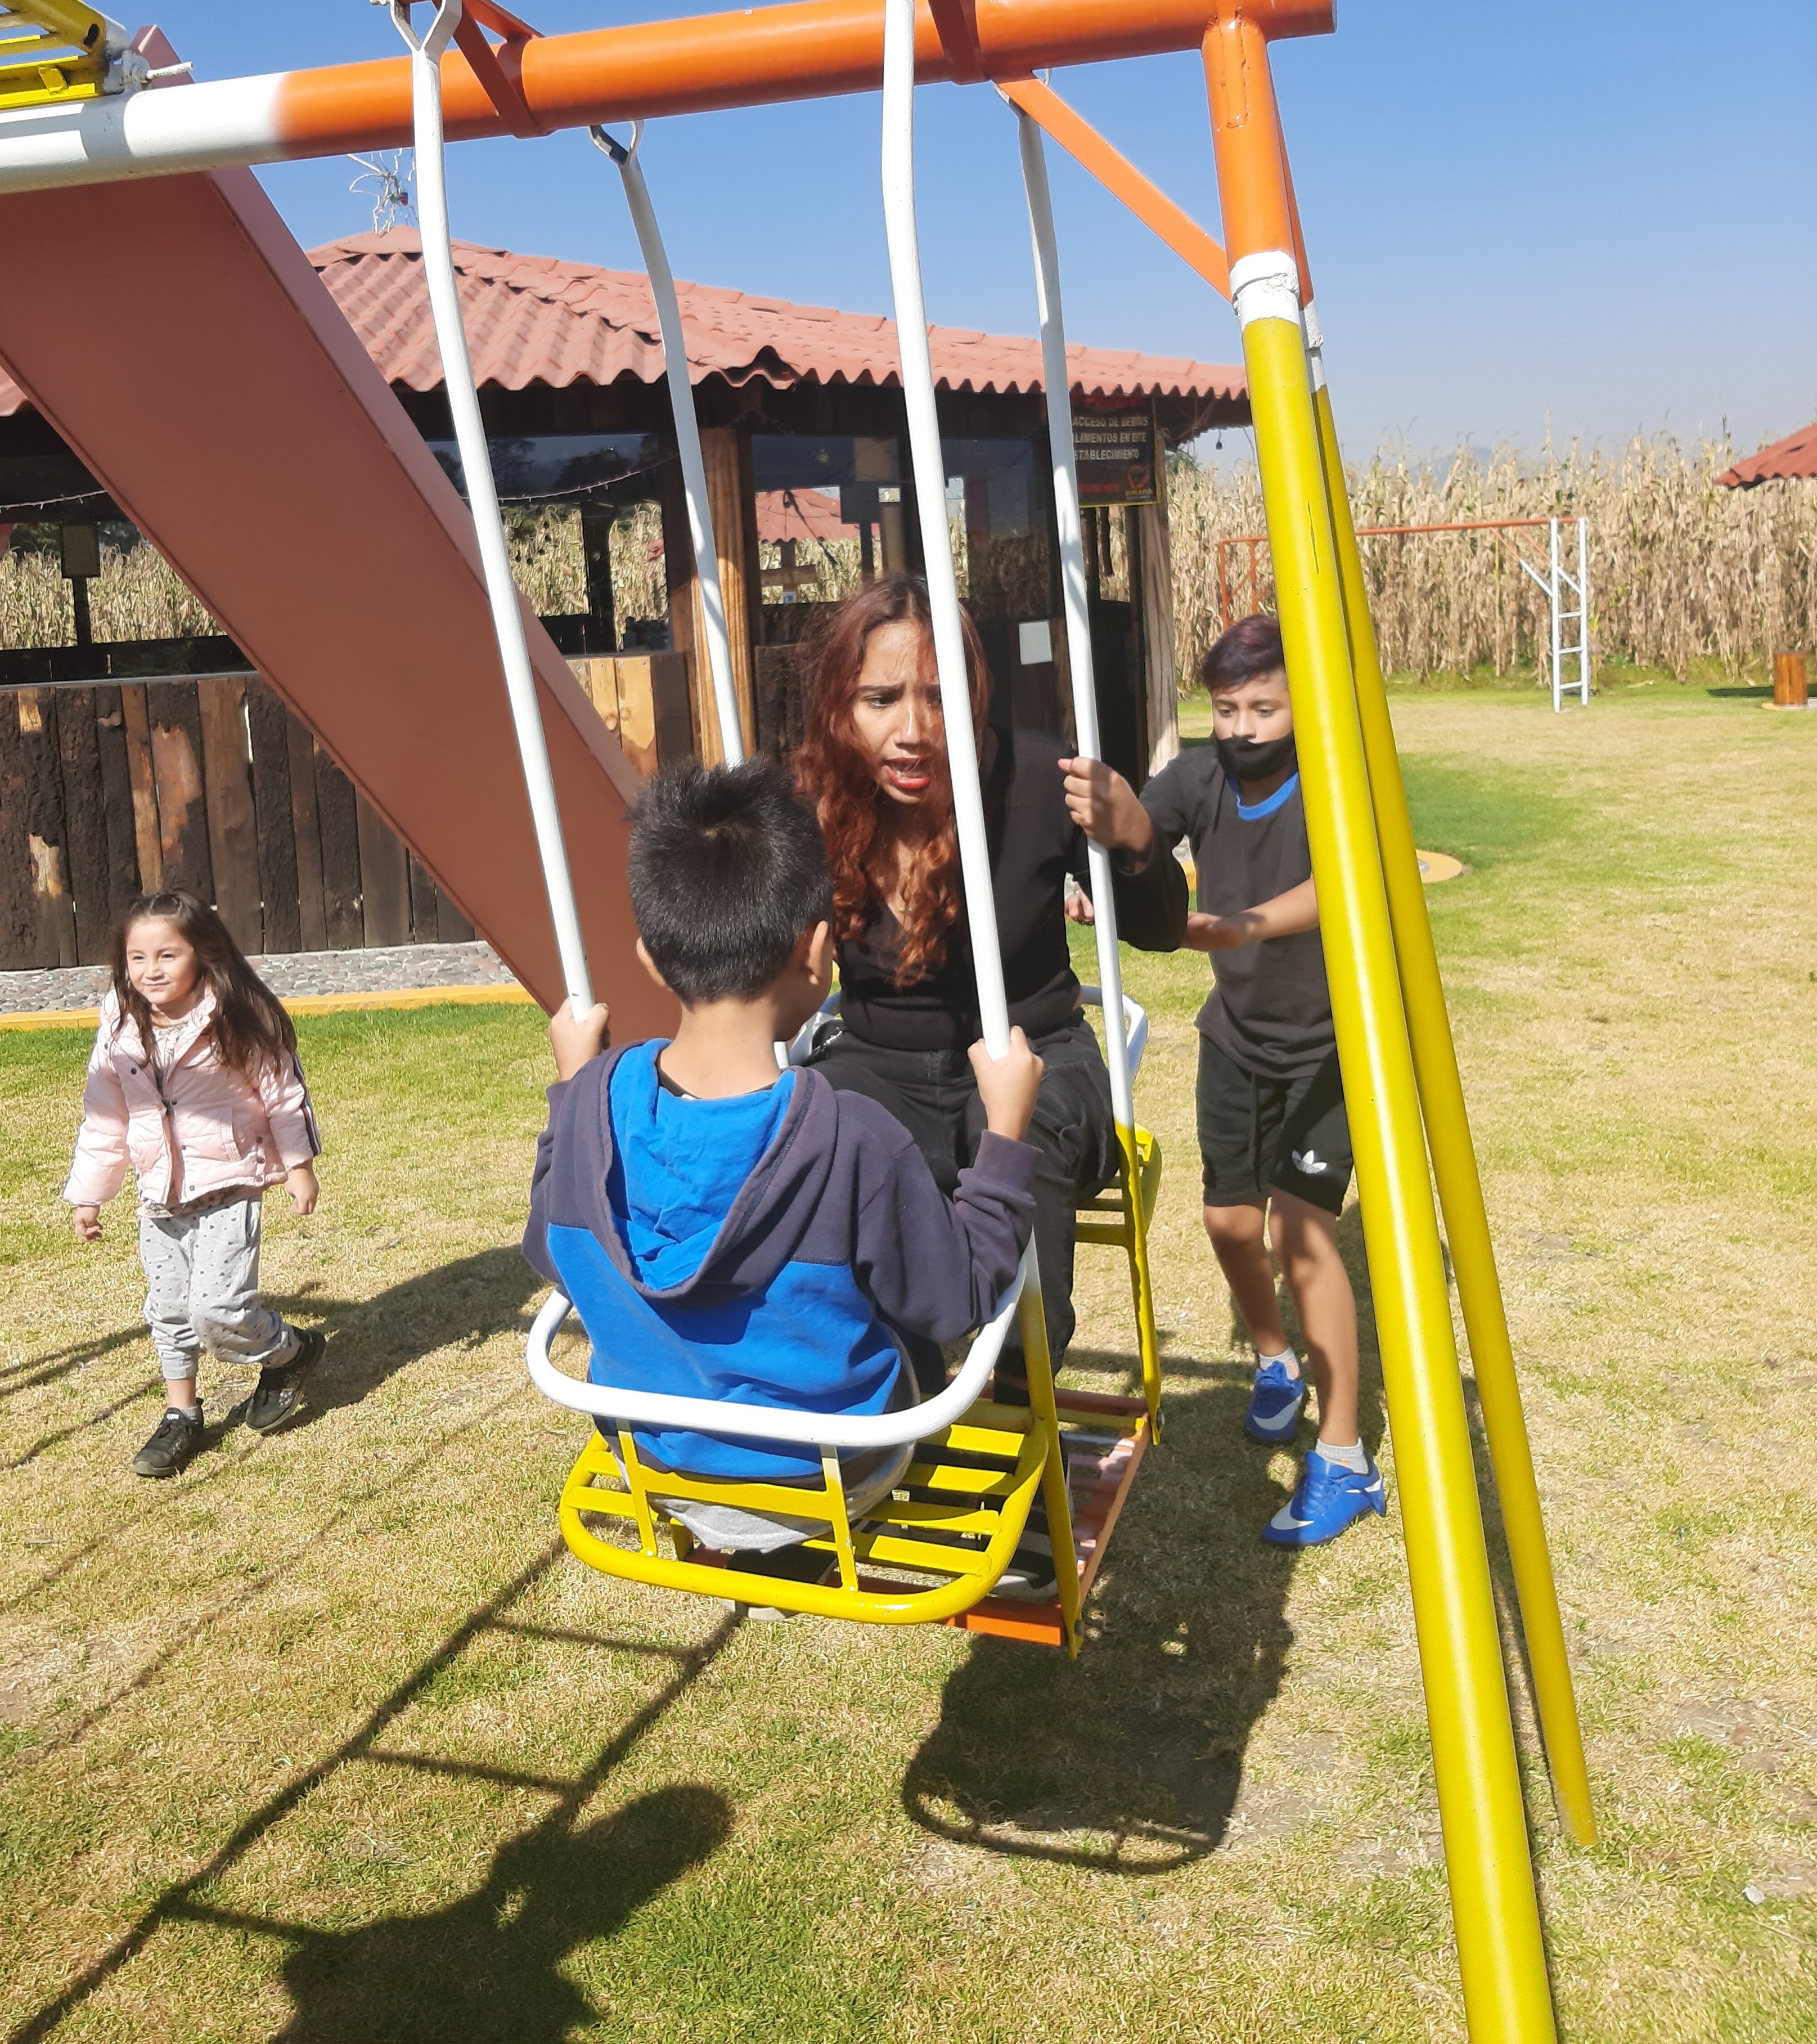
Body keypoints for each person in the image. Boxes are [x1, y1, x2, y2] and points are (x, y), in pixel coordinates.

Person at [525, 756, 1045, 1560]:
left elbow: (550, 1255)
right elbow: (959, 1298)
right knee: (892, 1305)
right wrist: (1005, 1134)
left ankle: (734, 1529)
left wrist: (572, 1092)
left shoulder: (592, 1111)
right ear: (817, 951)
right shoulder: (852, 1139)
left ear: (652, 958)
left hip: (661, 1464)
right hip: (834, 1476)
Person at [791, 574, 1187, 1381]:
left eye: (937, 697)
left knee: (1008, 1126)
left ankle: (1019, 1405)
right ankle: (892, 1405)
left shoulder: (1038, 776)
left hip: (1034, 1046)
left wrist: (1137, 835)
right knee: (812, 1129)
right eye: (881, 699)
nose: (912, 730)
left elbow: (1162, 927)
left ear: (974, 691)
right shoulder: (819, 802)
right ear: (840, 707)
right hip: (877, 1060)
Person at [1100, 613, 1386, 1547]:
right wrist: (1106, 866)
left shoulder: (1335, 778)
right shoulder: (1200, 774)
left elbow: (1339, 881)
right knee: (1228, 1220)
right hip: (1235, 1036)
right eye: (1226, 707)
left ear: (1304, 705)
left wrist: (1246, 922)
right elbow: (1146, 835)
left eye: (1264, 706)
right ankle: (1275, 1360)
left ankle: (1343, 1459)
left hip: (1328, 1046)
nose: (1243, 726)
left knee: (1303, 1230)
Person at [66, 891, 326, 1479]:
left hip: (229, 1182)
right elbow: (105, 1113)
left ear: (203, 955)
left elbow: (282, 1095)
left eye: (167, 955)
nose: (150, 971)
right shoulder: (120, 1021)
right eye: (137, 958)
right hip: (158, 1192)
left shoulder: (237, 1014)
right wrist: (91, 1192)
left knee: (217, 1310)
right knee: (168, 1309)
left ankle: (291, 1352)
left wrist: (298, 1165)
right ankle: (181, 1414)